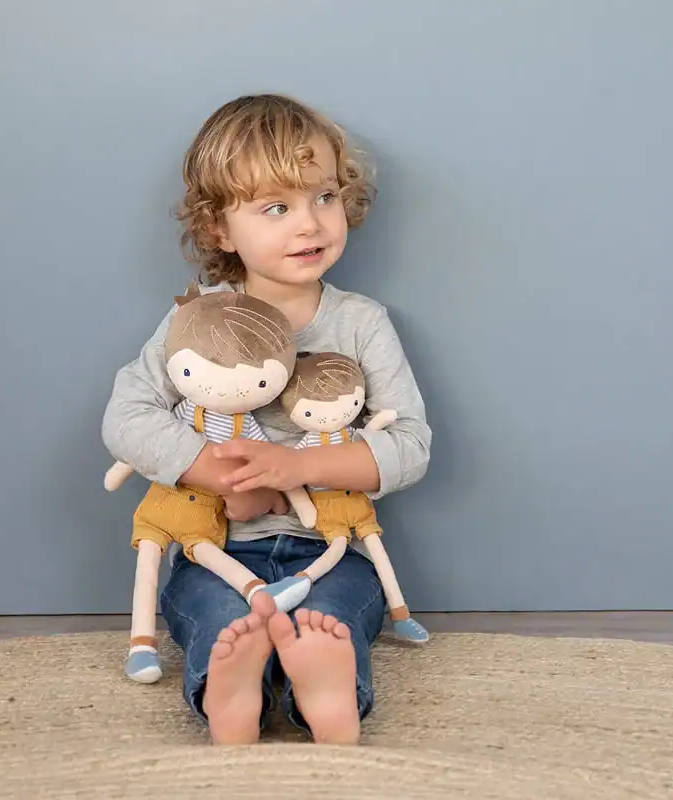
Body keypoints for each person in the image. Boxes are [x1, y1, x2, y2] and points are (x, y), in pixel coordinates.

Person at [101, 93, 431, 745]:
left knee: (333, 616)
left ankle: (328, 694)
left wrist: (297, 467)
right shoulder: (198, 317)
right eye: (276, 208)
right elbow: (128, 414)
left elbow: (410, 445)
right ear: (219, 229)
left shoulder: (360, 323)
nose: (309, 224)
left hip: (330, 549)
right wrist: (216, 473)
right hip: (217, 549)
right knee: (218, 617)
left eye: (324, 197)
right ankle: (231, 695)